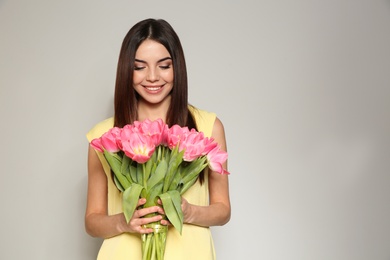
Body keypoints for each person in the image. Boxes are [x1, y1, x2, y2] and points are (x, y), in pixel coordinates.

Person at [85, 18, 231, 260]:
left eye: (164, 66)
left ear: (178, 68)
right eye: (139, 67)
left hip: (189, 252)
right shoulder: (104, 135)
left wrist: (188, 212)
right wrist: (124, 221)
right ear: (126, 70)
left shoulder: (208, 127)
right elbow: (92, 220)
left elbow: (223, 210)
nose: (152, 77)